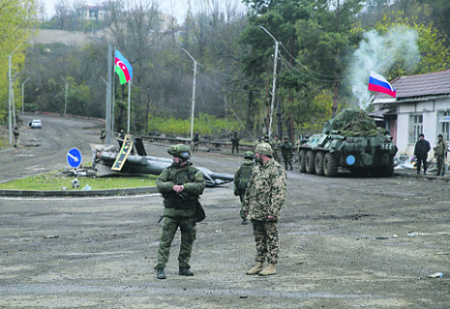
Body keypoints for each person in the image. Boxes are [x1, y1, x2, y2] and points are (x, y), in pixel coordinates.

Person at [155, 144, 205, 279]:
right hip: (171, 213)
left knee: (187, 242)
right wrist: (172, 187)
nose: (173, 159)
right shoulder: (168, 171)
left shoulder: (194, 172)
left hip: (188, 214)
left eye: (175, 157)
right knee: (165, 242)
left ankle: (184, 266)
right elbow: (159, 183)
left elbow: (200, 186)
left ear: (182, 158)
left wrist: (185, 187)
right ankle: (160, 267)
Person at [243, 143, 287, 276]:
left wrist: (273, 211)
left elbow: (279, 192)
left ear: (262, 154)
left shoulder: (276, 170)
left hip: (268, 212)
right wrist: (246, 207)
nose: (255, 156)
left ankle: (271, 265)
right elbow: (250, 189)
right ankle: (259, 263)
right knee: (259, 238)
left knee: (271, 238)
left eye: (256, 153)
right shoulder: (257, 169)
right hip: (256, 211)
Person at [233, 151, 255, 225]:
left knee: (244, 203)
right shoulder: (255, 167)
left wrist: (237, 186)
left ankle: (244, 218)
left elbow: (236, 178)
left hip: (242, 188)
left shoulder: (241, 167)